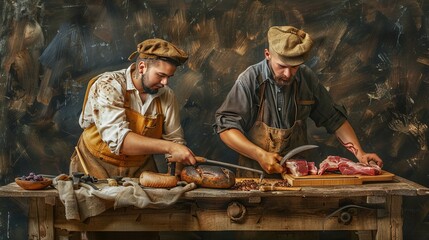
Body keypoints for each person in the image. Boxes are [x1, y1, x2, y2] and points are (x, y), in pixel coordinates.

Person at [214, 26, 383, 178]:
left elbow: (334, 119)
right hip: (255, 177)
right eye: (282, 66)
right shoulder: (250, 79)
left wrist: (360, 154)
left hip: (299, 178)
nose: (288, 74)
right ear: (267, 55)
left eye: (294, 66)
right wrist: (259, 154)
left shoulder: (306, 78)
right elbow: (226, 128)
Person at [70, 38, 196, 179]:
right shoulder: (108, 85)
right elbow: (120, 141)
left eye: (169, 77)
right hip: (95, 164)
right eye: (161, 75)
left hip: (140, 169)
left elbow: (175, 140)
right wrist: (171, 148)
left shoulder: (167, 96)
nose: (165, 82)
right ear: (142, 67)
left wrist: (177, 173)